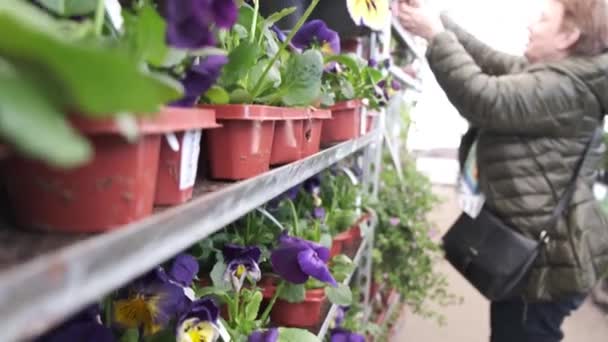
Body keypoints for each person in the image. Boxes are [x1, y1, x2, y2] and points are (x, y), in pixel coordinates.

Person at [394, 0, 608, 341]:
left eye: (542, 20)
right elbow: (492, 61)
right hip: (541, 250)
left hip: (549, 262)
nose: (530, 26)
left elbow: (485, 98)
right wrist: (439, 21)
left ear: (568, 35)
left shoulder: (566, 88)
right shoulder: (559, 75)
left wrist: (435, 35)